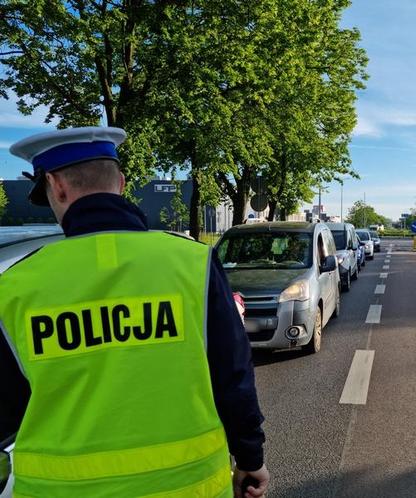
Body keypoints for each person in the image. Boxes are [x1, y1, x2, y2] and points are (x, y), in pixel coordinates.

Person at [0, 127, 269, 498]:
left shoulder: (13, 286)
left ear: (56, 186)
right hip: (192, 487)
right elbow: (233, 375)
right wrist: (250, 460)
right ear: (122, 183)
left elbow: (6, 410)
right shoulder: (193, 263)